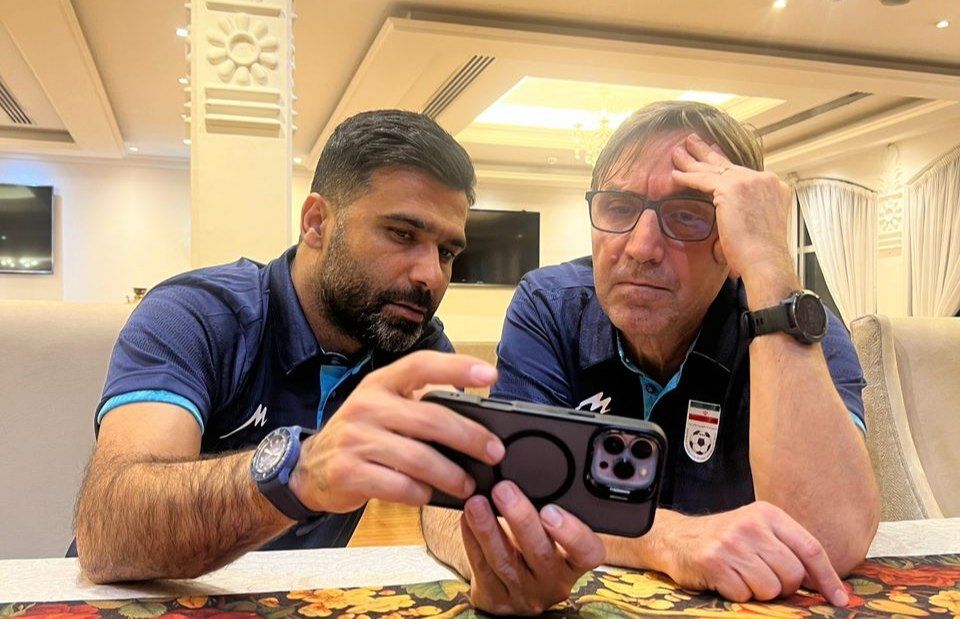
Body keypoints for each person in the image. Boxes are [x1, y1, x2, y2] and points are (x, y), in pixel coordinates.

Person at [422, 101, 880, 615]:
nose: (641, 247)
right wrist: (668, 539)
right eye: (619, 208)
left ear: (731, 242)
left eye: (686, 215)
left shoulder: (794, 327)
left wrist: (769, 263)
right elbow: (487, 501)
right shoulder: (551, 306)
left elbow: (827, 540)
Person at [73, 109, 507, 583]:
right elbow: (109, 534)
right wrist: (298, 473)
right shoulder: (195, 315)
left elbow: (448, 500)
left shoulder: (418, 346)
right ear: (316, 222)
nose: (430, 275)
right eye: (402, 235)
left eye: (447, 253)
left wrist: (493, 564)